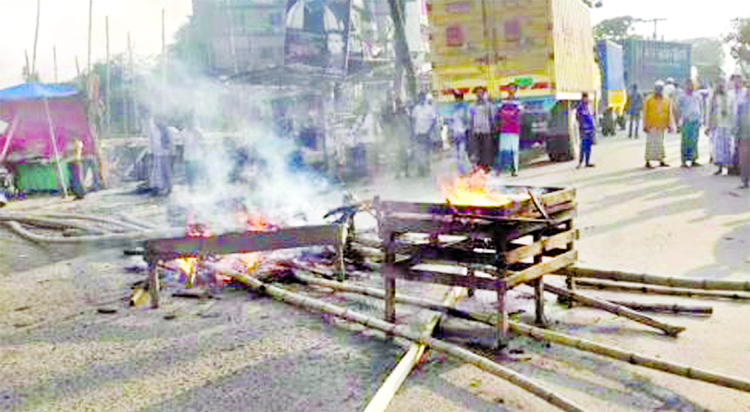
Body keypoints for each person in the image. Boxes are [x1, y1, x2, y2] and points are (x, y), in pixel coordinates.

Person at [642, 80, 673, 168]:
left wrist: (669, 124)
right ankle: (648, 161)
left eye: (660, 89)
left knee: (660, 144)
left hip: (661, 125)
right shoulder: (649, 99)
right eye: (657, 88)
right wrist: (644, 125)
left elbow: (668, 113)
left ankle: (661, 160)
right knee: (650, 144)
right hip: (651, 125)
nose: (659, 90)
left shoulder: (666, 100)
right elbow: (645, 112)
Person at [495, 83, 523, 176]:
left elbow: (518, 112)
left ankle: (514, 170)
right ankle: (498, 170)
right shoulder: (503, 101)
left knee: (514, 150)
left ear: (516, 90)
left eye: (513, 89)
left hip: (514, 129)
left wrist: (507, 114)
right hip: (504, 129)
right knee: (502, 150)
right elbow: (499, 113)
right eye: (510, 88)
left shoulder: (519, 102)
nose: (511, 90)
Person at [707, 80, 733, 175]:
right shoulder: (713, 98)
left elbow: (732, 109)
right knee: (718, 147)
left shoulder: (729, 97)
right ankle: (719, 167)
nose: (721, 87)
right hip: (717, 125)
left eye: (722, 85)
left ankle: (728, 167)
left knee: (728, 146)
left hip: (727, 125)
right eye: (719, 85)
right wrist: (708, 125)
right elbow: (709, 111)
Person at [676, 79, 703, 168]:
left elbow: (701, 107)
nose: (689, 86)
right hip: (686, 121)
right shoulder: (681, 96)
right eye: (688, 85)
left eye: (691, 85)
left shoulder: (698, 95)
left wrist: (701, 119)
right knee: (685, 141)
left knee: (694, 141)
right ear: (685, 85)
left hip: (696, 121)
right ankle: (684, 160)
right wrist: (677, 123)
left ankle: (693, 159)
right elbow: (677, 109)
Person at [410, 92, 438, 177]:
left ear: (425, 98)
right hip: (418, 133)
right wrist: (413, 132)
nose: (421, 99)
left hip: (427, 133)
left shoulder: (429, 109)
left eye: (422, 98)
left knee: (426, 151)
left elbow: (434, 120)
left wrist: (430, 130)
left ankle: (426, 167)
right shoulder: (416, 109)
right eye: (420, 98)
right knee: (418, 152)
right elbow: (413, 120)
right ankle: (420, 169)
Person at [469, 86, 495, 172]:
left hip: (486, 130)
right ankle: (477, 166)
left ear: (484, 94)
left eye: (481, 92)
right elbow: (470, 118)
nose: (479, 94)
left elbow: (492, 117)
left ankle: (486, 166)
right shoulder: (472, 106)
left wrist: (493, 128)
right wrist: (471, 129)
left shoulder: (488, 105)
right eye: (478, 92)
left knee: (487, 149)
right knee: (476, 149)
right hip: (476, 131)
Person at [148, 116, 173, 196]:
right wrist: (150, 152)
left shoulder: (167, 130)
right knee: (156, 172)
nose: (156, 121)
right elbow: (151, 142)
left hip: (165, 153)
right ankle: (156, 188)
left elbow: (170, 142)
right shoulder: (153, 130)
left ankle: (169, 188)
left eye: (158, 119)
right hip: (156, 153)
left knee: (166, 171)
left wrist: (172, 152)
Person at [729, 74, 748, 176]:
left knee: (742, 146)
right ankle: (734, 167)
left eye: (738, 81)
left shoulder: (745, 92)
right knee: (734, 145)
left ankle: (742, 168)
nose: (737, 83)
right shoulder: (730, 93)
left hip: (744, 122)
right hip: (733, 122)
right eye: (735, 81)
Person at [449, 91, 471, 175]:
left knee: (463, 153)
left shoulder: (465, 108)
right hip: (455, 134)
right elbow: (451, 122)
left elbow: (467, 121)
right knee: (456, 154)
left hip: (463, 134)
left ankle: (465, 170)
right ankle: (459, 170)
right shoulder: (453, 109)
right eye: (456, 98)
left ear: (461, 99)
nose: (457, 100)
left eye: (459, 98)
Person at [181, 118, 205, 189]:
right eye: (188, 122)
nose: (189, 124)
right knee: (189, 173)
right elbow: (183, 143)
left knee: (196, 172)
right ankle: (191, 187)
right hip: (187, 156)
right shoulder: (183, 132)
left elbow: (202, 140)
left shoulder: (198, 131)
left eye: (191, 122)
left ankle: (196, 187)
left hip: (196, 156)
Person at [576, 92, 596, 168]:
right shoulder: (580, 108)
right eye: (585, 98)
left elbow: (592, 117)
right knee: (583, 147)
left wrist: (593, 127)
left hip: (590, 129)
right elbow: (578, 117)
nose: (586, 99)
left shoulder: (590, 106)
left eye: (587, 98)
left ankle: (587, 162)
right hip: (584, 130)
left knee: (589, 147)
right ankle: (580, 162)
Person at [737, 86, 750, 188]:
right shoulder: (742, 104)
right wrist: (737, 133)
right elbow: (737, 119)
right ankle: (745, 181)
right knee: (744, 159)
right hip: (744, 135)